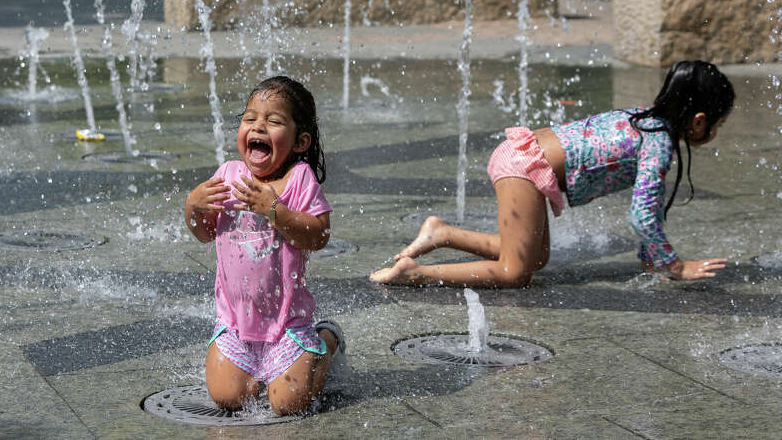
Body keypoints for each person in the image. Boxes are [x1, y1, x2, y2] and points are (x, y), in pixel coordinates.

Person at [371, 60, 736, 288]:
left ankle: (442, 233)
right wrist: (675, 265)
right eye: (718, 124)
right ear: (699, 120)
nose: (715, 132)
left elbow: (650, 205)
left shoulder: (647, 119)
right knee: (515, 274)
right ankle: (414, 273)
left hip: (525, 158)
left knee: (537, 257)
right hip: (524, 167)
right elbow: (641, 215)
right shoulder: (658, 144)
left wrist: (649, 259)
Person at [184, 76, 347, 415]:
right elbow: (204, 233)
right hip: (235, 324)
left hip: (288, 325)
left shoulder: (299, 179)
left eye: (273, 121)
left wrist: (274, 210)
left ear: (300, 141)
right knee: (228, 398)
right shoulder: (228, 175)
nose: (258, 126)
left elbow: (318, 236)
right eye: (249, 118)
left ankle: (326, 341)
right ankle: (259, 371)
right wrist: (193, 207)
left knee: (289, 404)